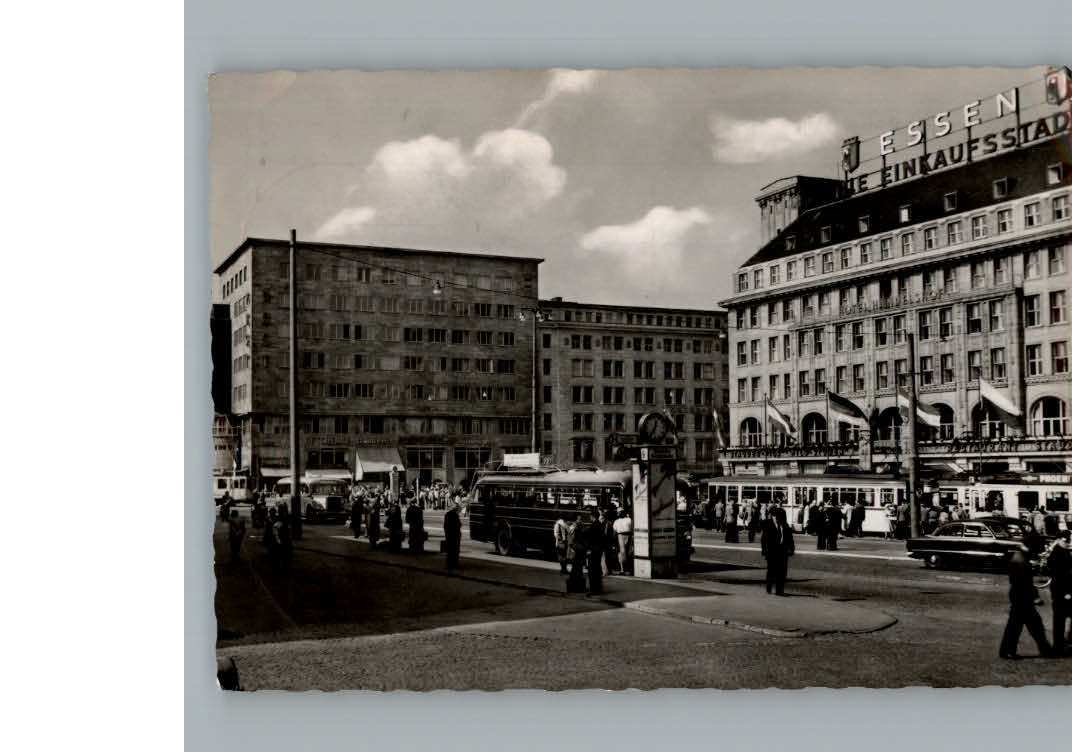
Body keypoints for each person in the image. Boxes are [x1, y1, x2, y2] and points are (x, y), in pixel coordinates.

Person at [999, 536, 1053, 659]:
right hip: (1022, 597)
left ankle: (1007, 650)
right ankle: (1045, 649)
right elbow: (1025, 583)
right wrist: (1034, 597)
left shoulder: (1019, 557)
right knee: (1031, 625)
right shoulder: (1022, 562)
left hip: (1018, 596)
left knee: (1019, 625)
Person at [760, 506, 795, 595]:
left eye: (778, 516)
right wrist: (764, 550)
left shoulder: (785, 525)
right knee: (771, 570)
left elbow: (790, 538)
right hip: (772, 551)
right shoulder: (768, 525)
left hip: (782, 551)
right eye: (775, 516)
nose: (777, 518)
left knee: (782, 571)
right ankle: (769, 587)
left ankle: (780, 590)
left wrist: (791, 549)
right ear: (772, 516)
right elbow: (764, 539)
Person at [1048, 529, 1072, 654]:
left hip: (1061, 591)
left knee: (1060, 619)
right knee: (1059, 620)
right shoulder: (1058, 554)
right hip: (1061, 592)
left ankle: (1062, 643)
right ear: (1059, 540)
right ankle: (1059, 645)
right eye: (1066, 540)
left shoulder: (1061, 551)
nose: (1068, 542)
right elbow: (1061, 576)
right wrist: (1066, 592)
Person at [566, 515, 587, 593]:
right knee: (576, 568)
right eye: (579, 519)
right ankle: (576, 585)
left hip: (578, 550)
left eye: (581, 519)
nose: (580, 521)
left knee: (577, 568)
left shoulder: (579, 527)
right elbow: (571, 541)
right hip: (575, 550)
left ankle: (576, 585)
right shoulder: (574, 528)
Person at [586, 510, 605, 595]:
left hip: (593, 551)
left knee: (592, 570)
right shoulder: (600, 525)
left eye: (590, 516)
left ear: (592, 517)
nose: (589, 518)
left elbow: (590, 539)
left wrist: (589, 549)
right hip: (599, 550)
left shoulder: (593, 526)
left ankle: (594, 589)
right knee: (597, 569)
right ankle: (598, 588)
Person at [613, 509, 633, 575]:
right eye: (618, 513)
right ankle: (624, 569)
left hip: (623, 535)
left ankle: (625, 569)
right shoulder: (627, 520)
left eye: (619, 512)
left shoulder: (628, 520)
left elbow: (614, 532)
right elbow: (615, 532)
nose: (618, 514)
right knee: (624, 552)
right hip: (623, 535)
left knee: (626, 552)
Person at [443, 502, 462, 569]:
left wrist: (446, 534)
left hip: (449, 534)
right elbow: (459, 525)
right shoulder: (455, 515)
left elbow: (445, 526)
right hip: (455, 535)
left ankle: (449, 563)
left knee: (450, 550)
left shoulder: (447, 514)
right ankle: (454, 563)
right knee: (455, 550)